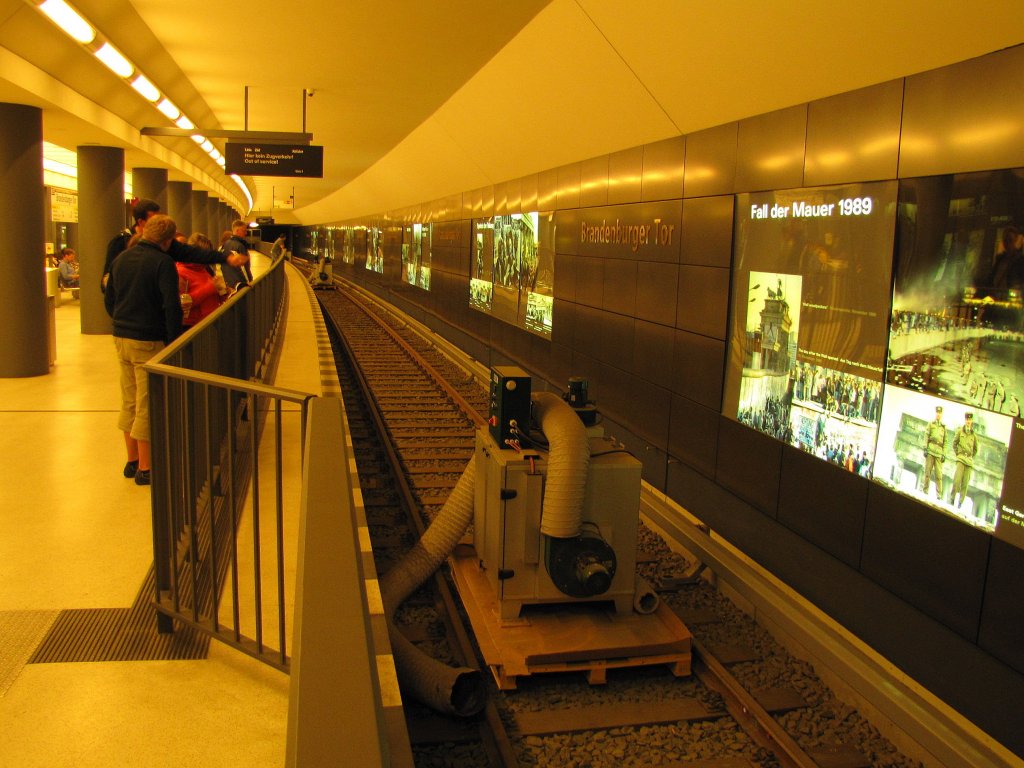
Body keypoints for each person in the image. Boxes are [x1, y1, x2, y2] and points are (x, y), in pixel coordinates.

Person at [103, 214, 184, 486]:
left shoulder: (121, 259)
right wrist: (174, 342)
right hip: (147, 340)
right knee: (147, 403)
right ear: (168, 240)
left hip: (121, 338)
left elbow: (110, 298)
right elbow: (171, 306)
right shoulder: (163, 262)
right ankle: (147, 469)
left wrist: (120, 321)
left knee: (128, 400)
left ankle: (132, 460)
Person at [102, 198, 247, 291]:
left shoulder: (164, 243)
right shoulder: (120, 243)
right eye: (154, 219)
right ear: (141, 222)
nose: (159, 223)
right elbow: (106, 282)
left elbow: (193, 253)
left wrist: (225, 258)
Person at [177, 233, 226, 326]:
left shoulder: (203, 269)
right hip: (194, 327)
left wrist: (222, 292)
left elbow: (210, 295)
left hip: (209, 323)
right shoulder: (180, 272)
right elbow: (183, 303)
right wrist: (210, 287)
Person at [950, 412, 978, 509]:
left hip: (969, 462)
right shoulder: (959, 431)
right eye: (967, 420)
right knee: (956, 480)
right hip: (961, 459)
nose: (968, 421)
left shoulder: (974, 436)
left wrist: (970, 457)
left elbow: (975, 449)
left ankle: (960, 503)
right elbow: (954, 443)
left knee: (965, 484)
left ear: (972, 421)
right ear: (965, 420)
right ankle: (952, 498)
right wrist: (958, 454)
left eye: (970, 420)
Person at [220, 219, 253, 292]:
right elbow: (244, 268)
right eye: (244, 231)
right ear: (238, 230)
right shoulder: (240, 246)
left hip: (229, 283)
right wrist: (249, 281)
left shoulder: (225, 244)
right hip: (240, 284)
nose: (246, 233)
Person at [921, 405, 946, 499]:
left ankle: (939, 495)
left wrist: (944, 454)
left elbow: (946, 441)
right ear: (935, 413)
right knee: (927, 472)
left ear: (942, 414)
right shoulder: (931, 424)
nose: (938, 414)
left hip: (939, 453)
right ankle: (925, 491)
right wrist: (925, 448)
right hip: (931, 451)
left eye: (940, 413)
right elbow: (926, 435)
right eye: (937, 413)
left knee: (939, 475)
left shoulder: (944, 427)